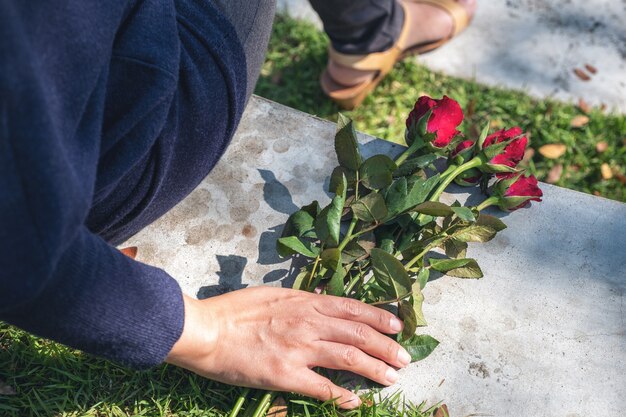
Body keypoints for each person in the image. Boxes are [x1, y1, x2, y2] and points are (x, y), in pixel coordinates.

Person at [0, 0, 474, 409]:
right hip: (125, 131)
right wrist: (207, 334)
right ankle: (370, 30)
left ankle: (369, 29)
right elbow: (15, 240)